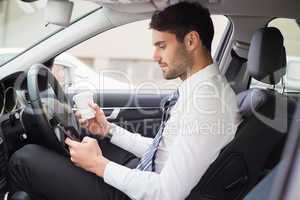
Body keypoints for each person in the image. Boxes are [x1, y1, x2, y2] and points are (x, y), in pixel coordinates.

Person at [8, 2, 241, 200]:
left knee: (24, 159)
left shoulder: (209, 102)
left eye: (162, 46)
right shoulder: (201, 89)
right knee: (88, 139)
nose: (155, 56)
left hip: (145, 193)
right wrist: (108, 130)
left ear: (191, 41)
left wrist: (98, 165)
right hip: (146, 174)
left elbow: (167, 193)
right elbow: (161, 151)